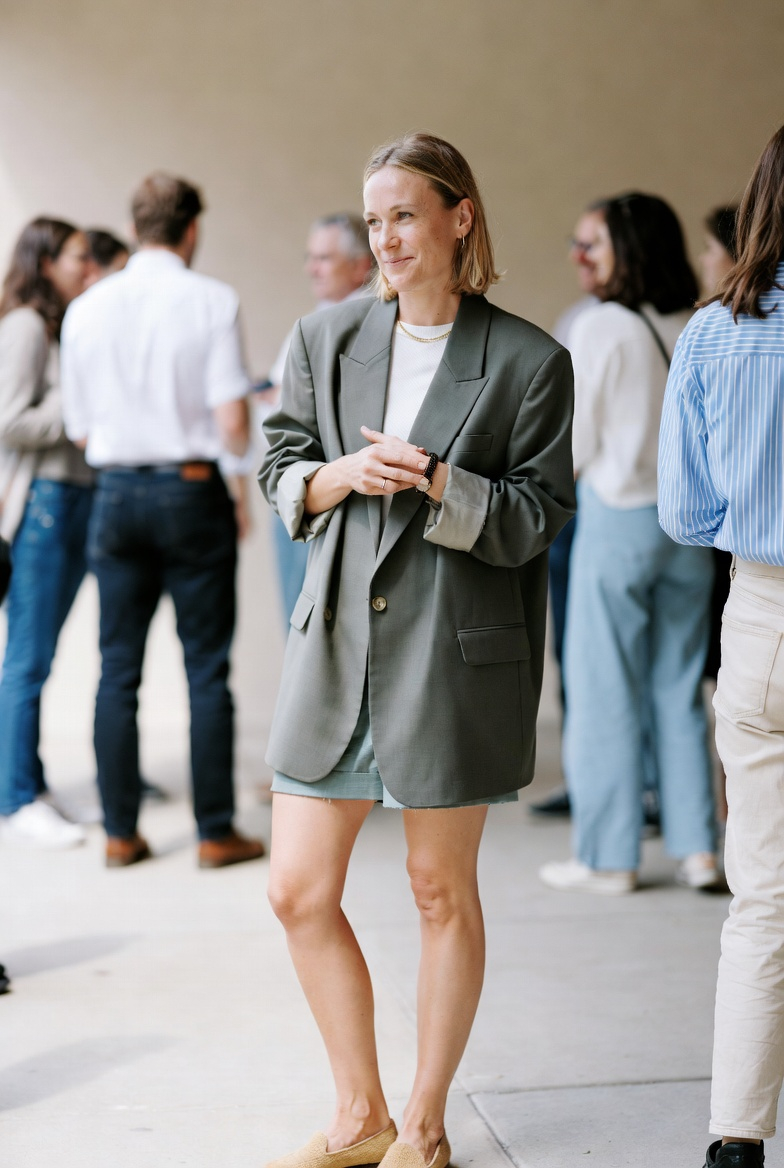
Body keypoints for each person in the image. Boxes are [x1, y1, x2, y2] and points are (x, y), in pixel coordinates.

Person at [259, 132, 575, 1168]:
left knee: (440, 892)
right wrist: (341, 475)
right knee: (296, 889)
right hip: (337, 644)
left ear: (458, 218)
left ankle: (426, 1123)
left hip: (452, 656)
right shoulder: (324, 336)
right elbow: (282, 466)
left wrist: (440, 480)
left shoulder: (530, 360)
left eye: (403, 214)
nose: (385, 238)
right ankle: (361, 1112)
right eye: (373, 219)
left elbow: (535, 518)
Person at [60, 172, 265, 870]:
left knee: (117, 669)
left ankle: (120, 832)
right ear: (192, 229)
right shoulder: (211, 299)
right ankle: (214, 832)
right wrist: (229, 459)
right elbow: (233, 425)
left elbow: (82, 432)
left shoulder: (87, 307)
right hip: (191, 490)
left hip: (115, 493)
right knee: (206, 669)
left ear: (138, 223)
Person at [658, 123, 784, 1168]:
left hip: (757, 617)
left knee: (763, 897)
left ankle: (735, 1141)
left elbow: (686, 513)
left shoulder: (708, 333)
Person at [539, 192, 718, 896]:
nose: (587, 257)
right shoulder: (698, 321)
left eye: (598, 245)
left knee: (602, 688)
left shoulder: (602, 326)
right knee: (679, 691)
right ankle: (699, 848)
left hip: (618, 520)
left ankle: (609, 856)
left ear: (627, 251)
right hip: (690, 529)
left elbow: (573, 445)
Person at [0, 217, 92, 848]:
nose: (86, 270)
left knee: (41, 655)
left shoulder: (58, 325)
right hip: (42, 505)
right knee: (27, 659)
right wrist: (81, 405)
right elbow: (9, 420)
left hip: (72, 499)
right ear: (45, 261)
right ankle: (15, 798)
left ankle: (29, 782)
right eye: (77, 259)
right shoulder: (26, 326)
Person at [262, 214, 375, 623]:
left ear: (362, 264)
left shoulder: (361, 326)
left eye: (324, 258)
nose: (312, 268)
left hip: (323, 492)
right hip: (301, 485)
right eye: (310, 257)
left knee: (305, 624)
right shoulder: (314, 325)